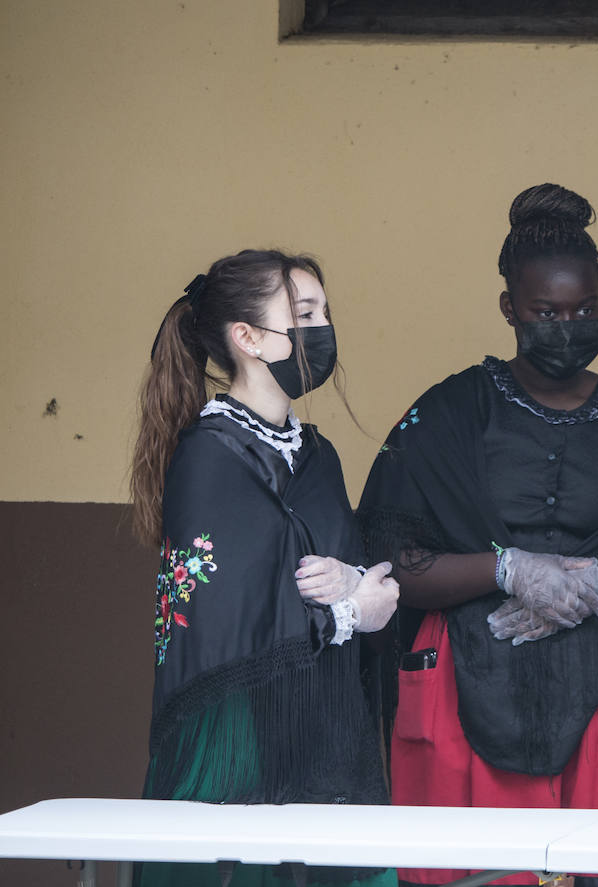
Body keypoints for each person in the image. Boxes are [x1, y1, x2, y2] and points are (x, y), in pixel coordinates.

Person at [357, 184, 598, 887]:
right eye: (547, 311)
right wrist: (507, 567)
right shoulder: (451, 413)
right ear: (509, 308)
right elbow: (390, 561)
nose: (567, 325)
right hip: (463, 690)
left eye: (585, 309)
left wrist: (594, 584)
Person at [129, 249, 399, 887]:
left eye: (325, 314)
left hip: (323, 739)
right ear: (247, 337)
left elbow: (347, 570)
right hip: (235, 749)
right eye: (304, 314)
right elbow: (224, 615)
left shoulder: (318, 455)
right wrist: (347, 611)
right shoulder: (209, 454)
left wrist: (358, 590)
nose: (322, 330)